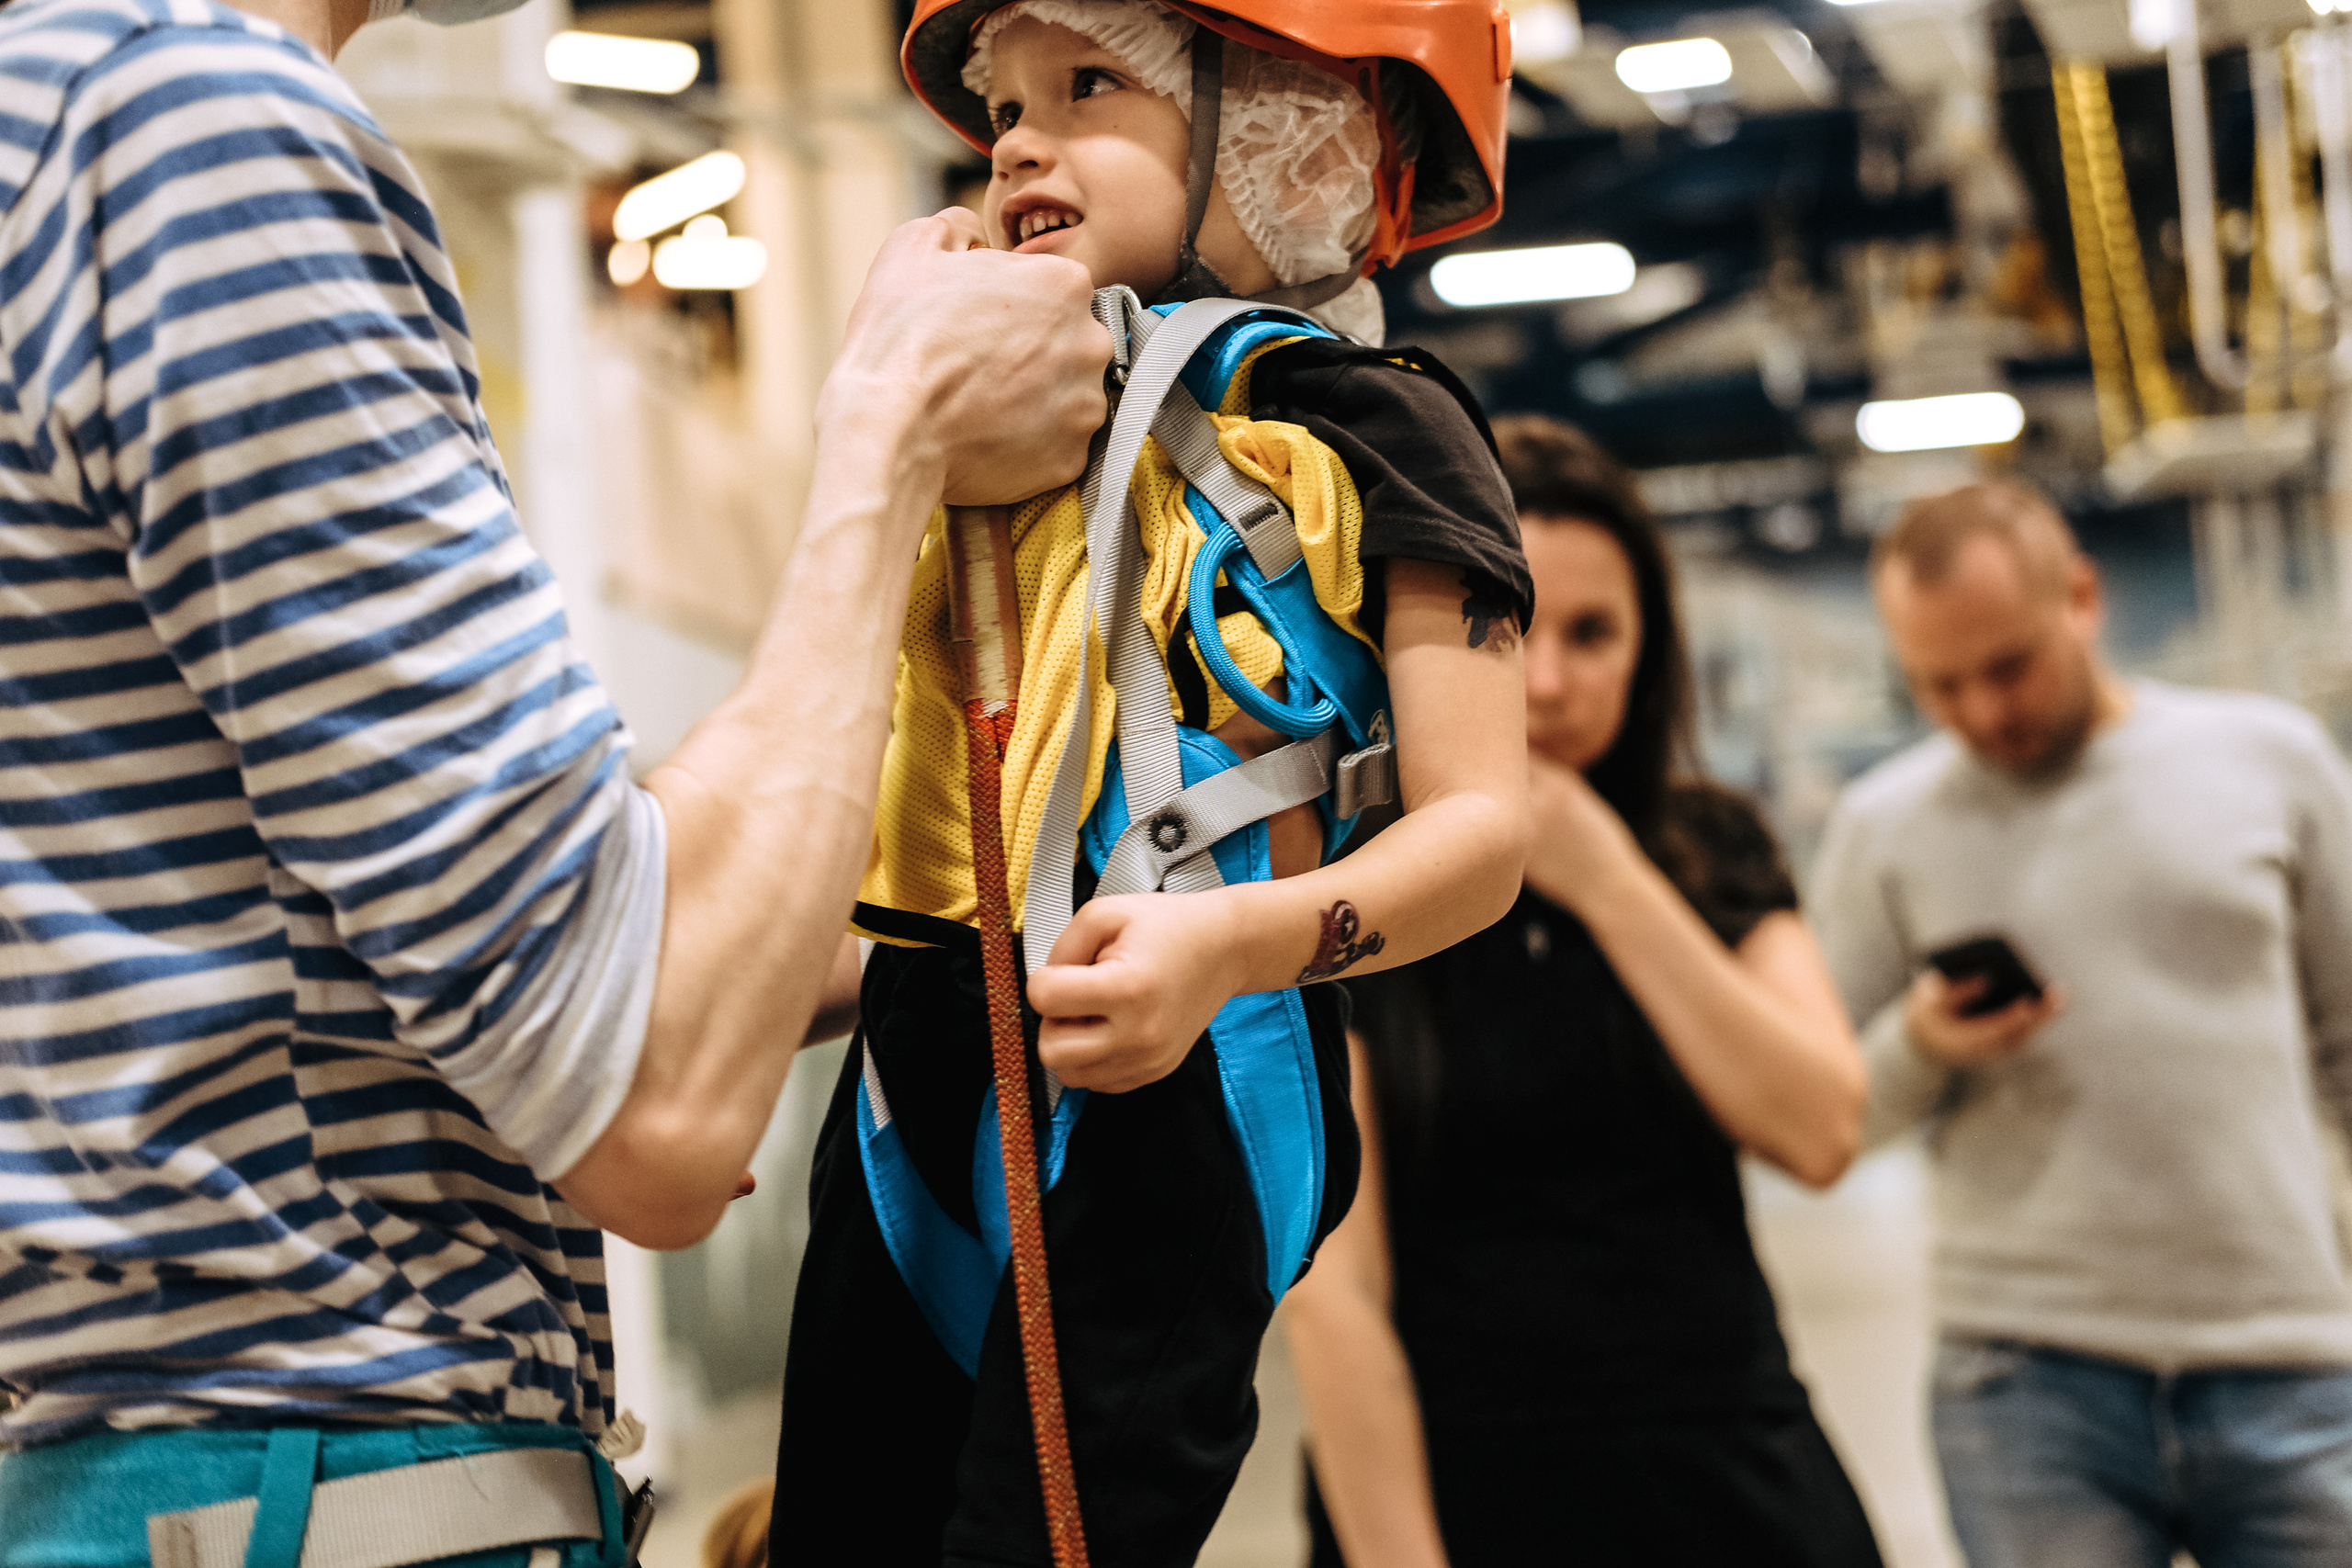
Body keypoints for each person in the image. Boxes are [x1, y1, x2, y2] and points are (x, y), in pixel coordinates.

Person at [0, 0, 1108, 1554]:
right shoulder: (191, 133)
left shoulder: (54, 118)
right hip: (323, 1490)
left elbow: (350, 954)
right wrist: (892, 435)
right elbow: (652, 1098)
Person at [771, 4, 1532, 1565]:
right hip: (917, 1082)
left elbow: (1482, 832)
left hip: (1188, 1072)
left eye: (1089, 86)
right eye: (1001, 108)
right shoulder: (992, 437)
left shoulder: (1378, 423)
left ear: (1278, 127)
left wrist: (1236, 948)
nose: (1017, 141)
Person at [1284, 416, 1883, 1568]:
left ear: (1651, 648)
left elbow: (1820, 1127)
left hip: (1723, 1469)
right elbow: (1336, 1293)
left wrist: (1608, 878)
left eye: (1594, 633)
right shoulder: (1356, 883)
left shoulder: (1710, 846)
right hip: (1466, 1478)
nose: (1548, 681)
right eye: (1506, 628)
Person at [1812, 481, 2352, 1568]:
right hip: (2025, 1384)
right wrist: (1921, 1044)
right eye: (1936, 685)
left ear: (2082, 596)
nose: (1980, 712)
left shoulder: (2271, 762)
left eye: (2007, 665)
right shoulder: (1884, 830)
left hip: (2288, 1355)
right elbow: (1820, 1118)